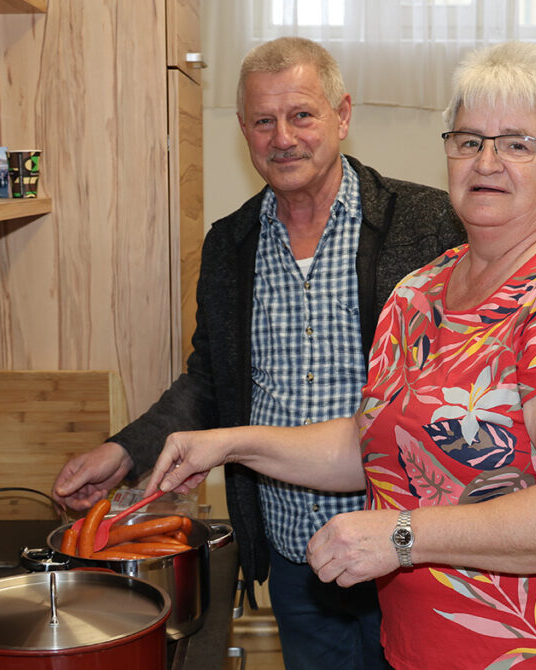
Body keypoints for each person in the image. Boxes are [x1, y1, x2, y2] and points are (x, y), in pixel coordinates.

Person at [145, 41, 536, 670]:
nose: (487, 161)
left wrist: (402, 536)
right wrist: (229, 444)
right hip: (418, 649)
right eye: (469, 140)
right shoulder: (421, 290)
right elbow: (373, 445)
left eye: (517, 144)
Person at [52, 37, 465, 669]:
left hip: (410, 551)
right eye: (264, 121)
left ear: (342, 115)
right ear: (244, 130)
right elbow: (210, 382)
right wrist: (126, 450)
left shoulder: (428, 223)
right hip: (297, 556)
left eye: (301, 115)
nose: (283, 138)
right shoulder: (230, 244)